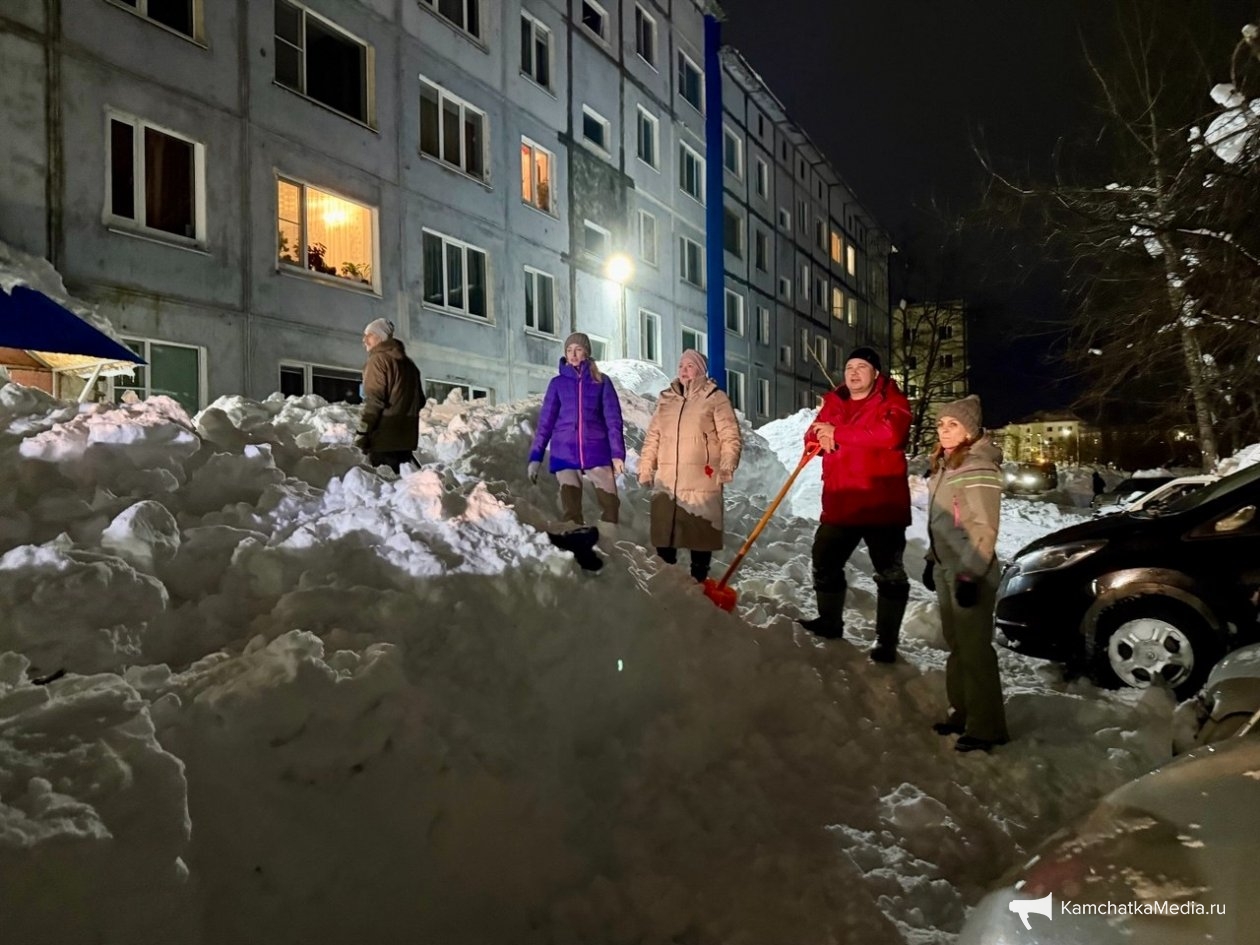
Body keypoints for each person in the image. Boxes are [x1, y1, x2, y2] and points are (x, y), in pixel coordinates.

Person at [798, 346, 911, 663]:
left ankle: (886, 641)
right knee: (824, 560)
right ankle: (830, 622)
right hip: (841, 501)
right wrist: (818, 439)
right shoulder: (835, 402)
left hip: (881, 504)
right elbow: (810, 437)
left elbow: (889, 434)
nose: (854, 373)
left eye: (862, 367)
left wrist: (838, 433)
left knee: (889, 573)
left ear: (876, 373)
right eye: (849, 367)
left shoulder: (893, 401)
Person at [924, 395, 1009, 753]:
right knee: (958, 647)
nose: (944, 430)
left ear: (970, 431)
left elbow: (983, 527)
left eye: (953, 424)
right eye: (941, 424)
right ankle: (962, 713)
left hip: (970, 571)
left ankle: (987, 727)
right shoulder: (947, 465)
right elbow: (945, 521)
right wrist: (931, 559)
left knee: (974, 650)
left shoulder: (977, 466)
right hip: (946, 566)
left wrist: (970, 575)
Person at [638, 350, 743, 582]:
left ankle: (699, 583)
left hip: (701, 478)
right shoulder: (666, 399)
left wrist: (727, 465)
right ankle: (669, 585)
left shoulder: (715, 398)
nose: (683, 370)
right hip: (667, 479)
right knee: (665, 535)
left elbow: (730, 435)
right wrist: (646, 468)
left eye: (690, 366)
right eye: (681, 366)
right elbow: (653, 437)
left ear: (701, 370)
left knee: (700, 533)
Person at [528, 332, 626, 537]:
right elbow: (545, 423)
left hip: (596, 449)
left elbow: (613, 420)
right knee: (571, 509)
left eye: (578, 349)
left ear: (586, 353)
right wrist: (536, 457)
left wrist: (617, 454)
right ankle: (575, 543)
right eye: (569, 350)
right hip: (565, 452)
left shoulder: (601, 381)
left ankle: (609, 542)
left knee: (610, 505)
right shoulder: (557, 383)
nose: (573, 354)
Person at [354, 318, 425, 473]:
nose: (364, 340)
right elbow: (420, 401)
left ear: (380, 337)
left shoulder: (378, 360)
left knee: (383, 483)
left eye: (369, 335)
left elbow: (374, 400)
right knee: (402, 484)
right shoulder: (410, 365)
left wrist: (363, 432)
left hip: (383, 439)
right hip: (405, 440)